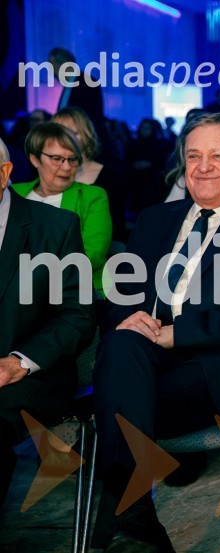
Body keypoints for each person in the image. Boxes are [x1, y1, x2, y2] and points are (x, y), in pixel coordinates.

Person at [91, 113, 220, 551]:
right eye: (193, 156)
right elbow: (121, 294)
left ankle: (126, 517)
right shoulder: (154, 219)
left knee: (115, 405)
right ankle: (134, 520)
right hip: (144, 359)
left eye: (217, 156)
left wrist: (178, 333)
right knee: (122, 340)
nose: (203, 167)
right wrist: (130, 316)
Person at [0, 136, 96, 505]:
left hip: (31, 374)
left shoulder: (55, 228)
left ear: (5, 173)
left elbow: (78, 315)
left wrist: (18, 362)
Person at [13, 122, 112, 298]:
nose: (66, 168)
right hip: (16, 289)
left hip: (74, 290)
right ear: (35, 159)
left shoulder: (93, 196)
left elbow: (93, 254)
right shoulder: (14, 194)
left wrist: (39, 278)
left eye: (72, 159)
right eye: (57, 159)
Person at [52, 106, 128, 242]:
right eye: (59, 134)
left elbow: (115, 229)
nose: (64, 140)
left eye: (72, 133)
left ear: (86, 134)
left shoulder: (110, 178)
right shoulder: (45, 176)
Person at [48, 47, 105, 129]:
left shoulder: (87, 83)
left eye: (52, 64)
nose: (51, 70)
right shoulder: (70, 85)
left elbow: (91, 117)